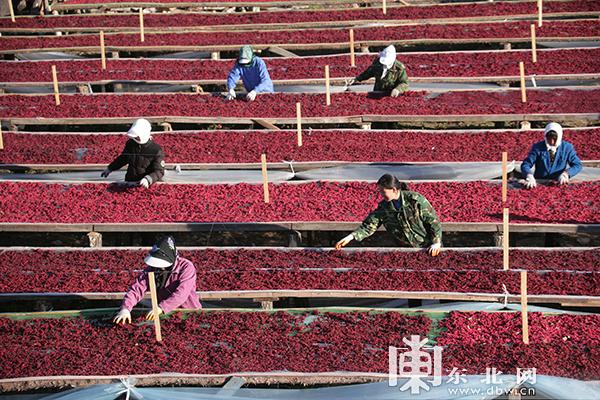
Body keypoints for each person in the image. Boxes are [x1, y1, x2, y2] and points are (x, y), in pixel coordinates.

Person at [335, 174, 442, 256]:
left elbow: (433, 221)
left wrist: (436, 242)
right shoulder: (384, 207)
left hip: (427, 247)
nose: (381, 194)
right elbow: (369, 225)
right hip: (405, 250)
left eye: (383, 191)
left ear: (394, 190)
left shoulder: (415, 200)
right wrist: (350, 237)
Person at [114, 236, 202, 324]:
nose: (159, 267)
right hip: (163, 315)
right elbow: (137, 289)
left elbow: (182, 293)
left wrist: (161, 307)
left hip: (188, 312)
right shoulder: (152, 269)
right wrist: (125, 308)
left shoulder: (186, 267)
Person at [101, 118, 165, 188]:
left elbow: (159, 171)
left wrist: (148, 179)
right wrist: (110, 168)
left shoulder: (156, 150)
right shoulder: (130, 144)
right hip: (130, 181)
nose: (135, 138)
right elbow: (123, 158)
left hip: (146, 185)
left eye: (137, 137)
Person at [521, 122, 583, 189]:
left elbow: (577, 165)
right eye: (549, 138)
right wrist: (529, 175)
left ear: (559, 137)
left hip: (558, 183)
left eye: (554, 139)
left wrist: (566, 174)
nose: (552, 142)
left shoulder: (567, 148)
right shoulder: (538, 147)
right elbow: (526, 164)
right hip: (539, 181)